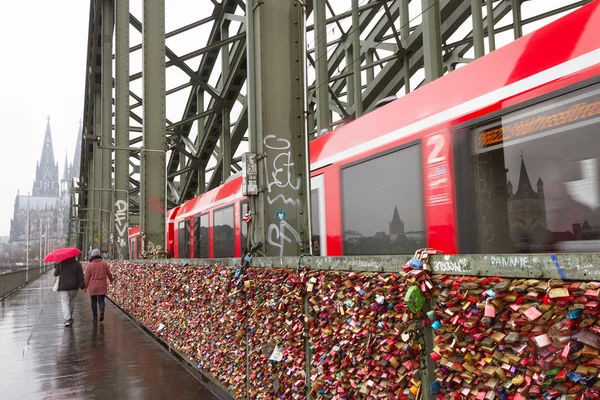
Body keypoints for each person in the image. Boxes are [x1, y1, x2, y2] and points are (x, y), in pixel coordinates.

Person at [53, 256, 85, 328]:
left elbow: (55, 274)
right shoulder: (77, 264)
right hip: (74, 286)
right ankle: (69, 316)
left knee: (65, 302)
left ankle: (67, 319)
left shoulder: (61, 263)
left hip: (63, 286)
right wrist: (82, 286)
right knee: (71, 302)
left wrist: (57, 266)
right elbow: (80, 276)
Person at [85, 249, 114, 323]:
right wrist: (111, 280)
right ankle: (101, 311)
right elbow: (109, 274)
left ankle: (95, 317)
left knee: (93, 302)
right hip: (102, 284)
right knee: (101, 300)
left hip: (93, 286)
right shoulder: (104, 263)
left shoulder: (90, 265)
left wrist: (85, 287)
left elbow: (87, 277)